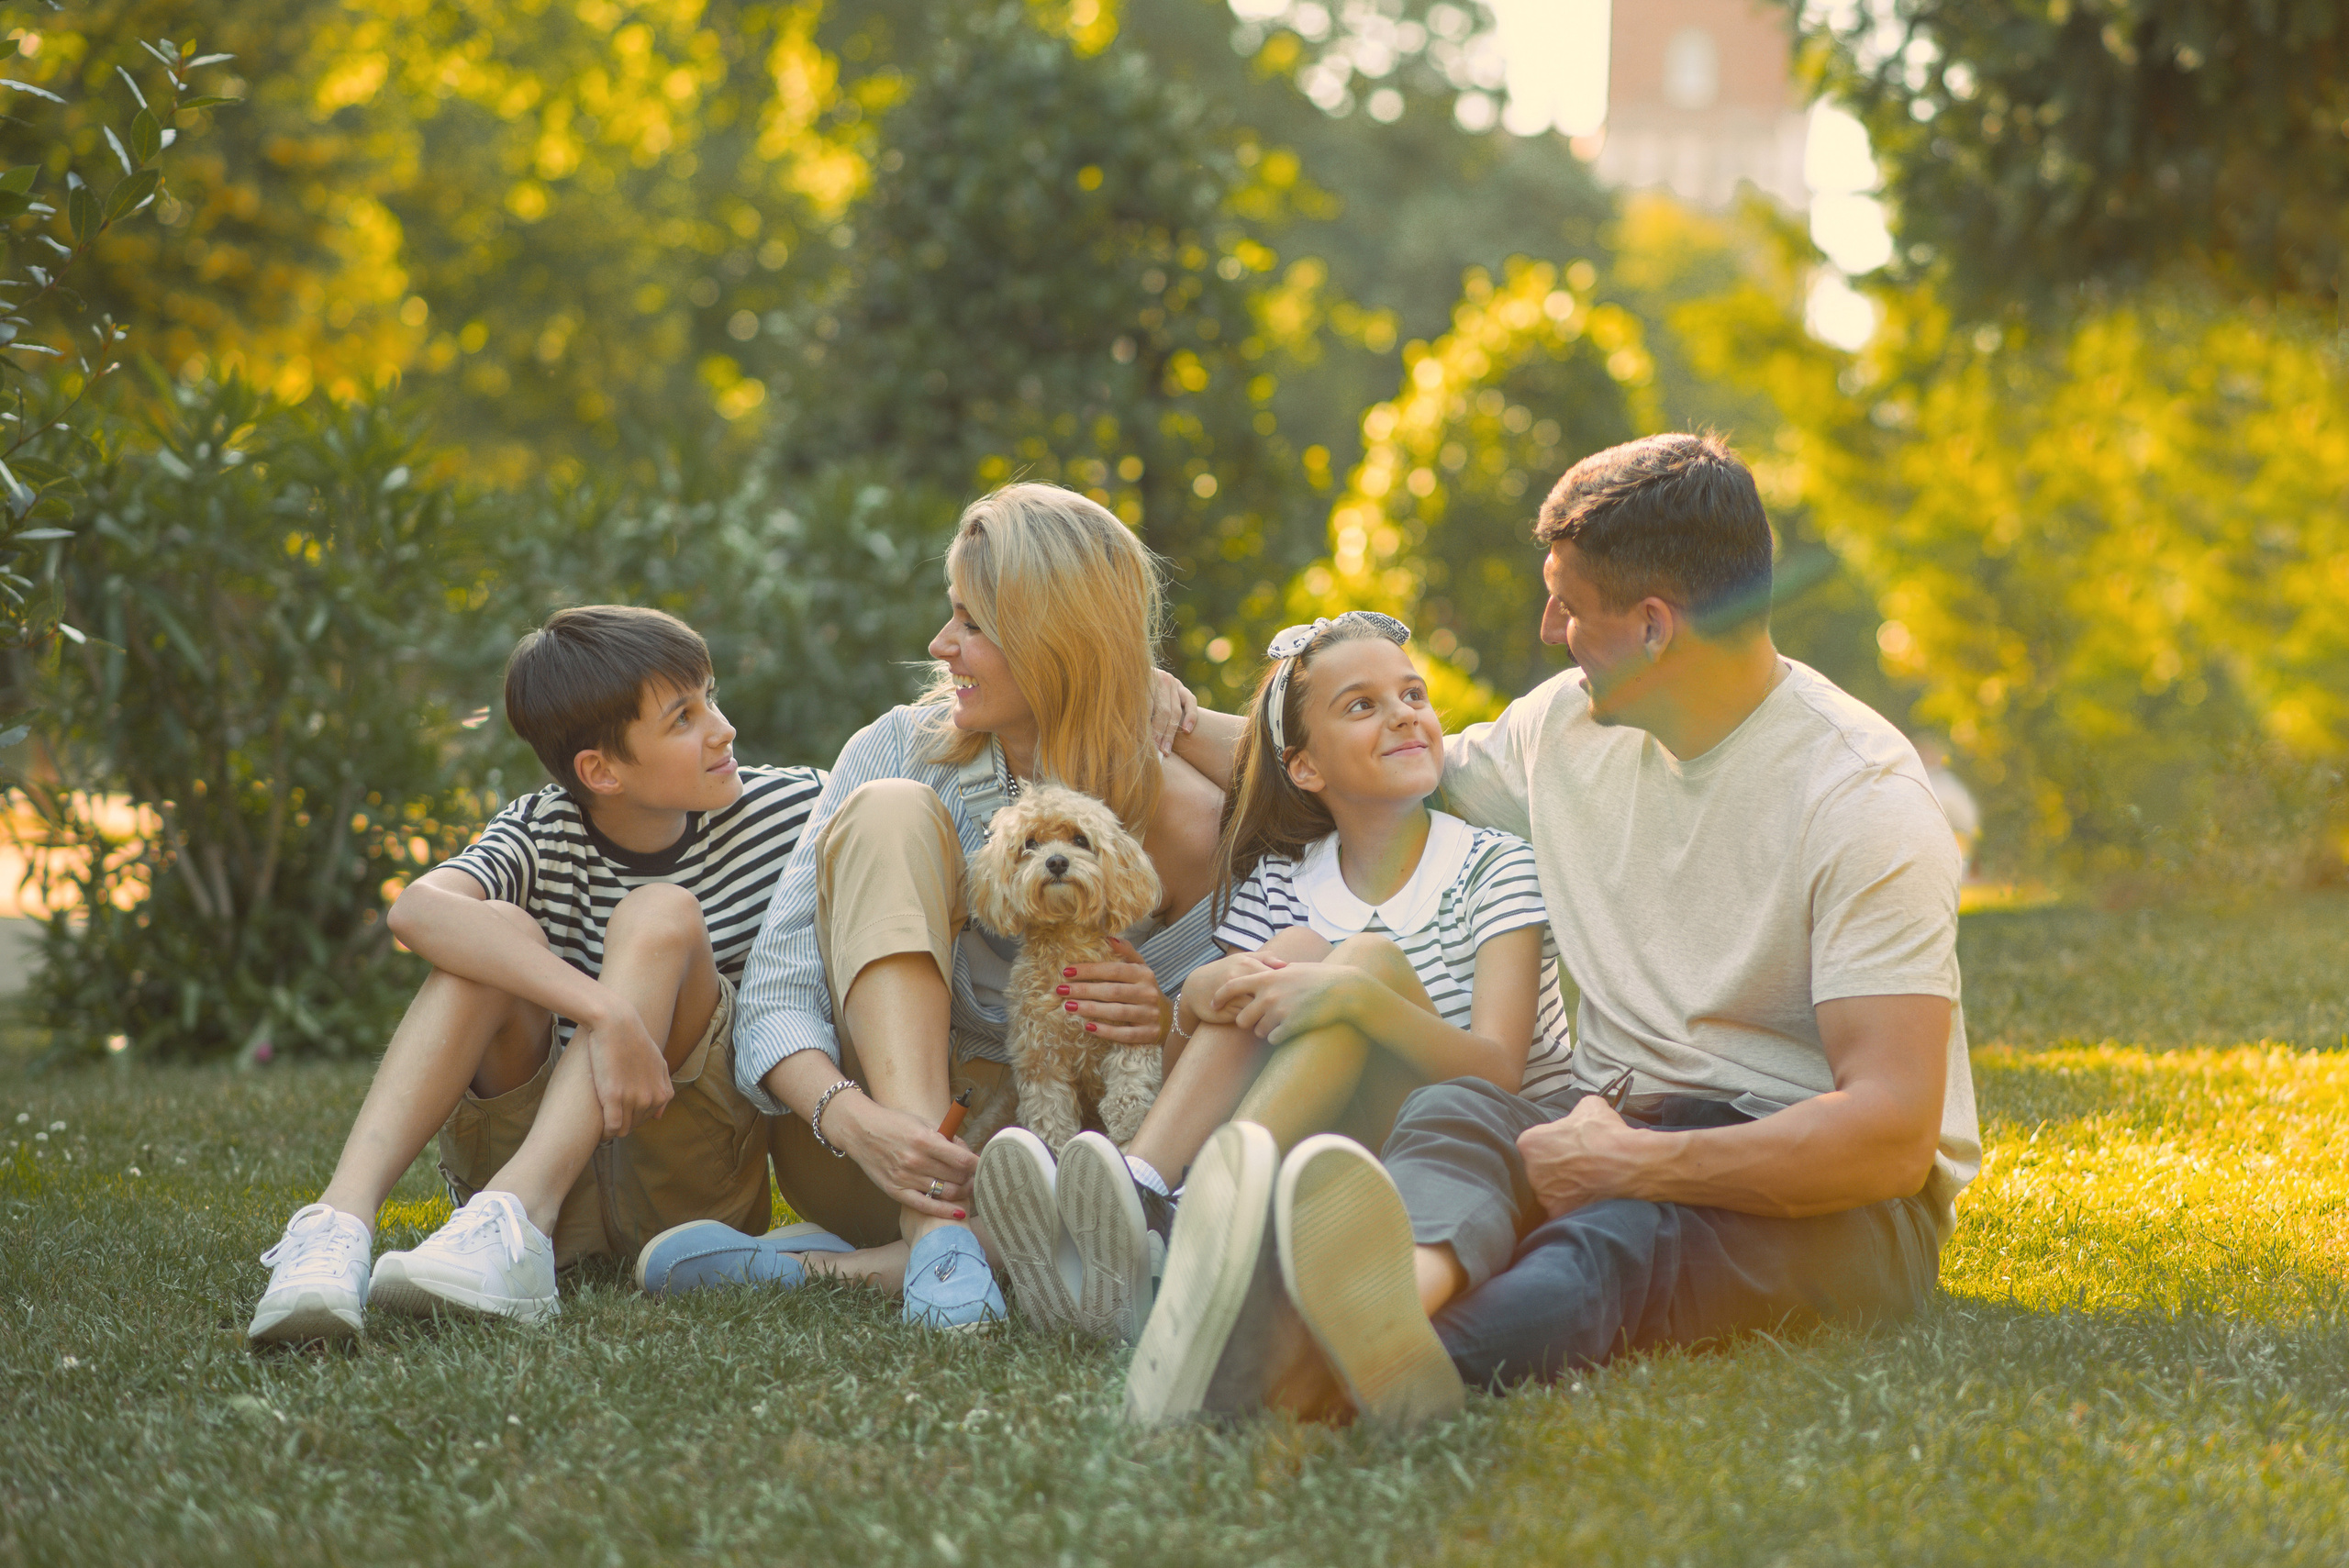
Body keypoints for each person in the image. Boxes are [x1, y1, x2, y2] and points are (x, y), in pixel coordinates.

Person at [1131, 432, 1979, 1427]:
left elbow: (1886, 1135)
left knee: (1614, 1237)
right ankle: (1367, 1289)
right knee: (1455, 1116)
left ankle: (1307, 1362)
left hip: (1832, 1197)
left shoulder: (1858, 796)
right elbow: (1368, 765)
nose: (1547, 628)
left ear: (1654, 628)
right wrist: (1165, 715)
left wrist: (1638, 1162)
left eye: (1569, 605)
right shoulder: (1563, 729)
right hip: (1605, 1116)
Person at [641, 483, 1226, 1329]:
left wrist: (1159, 1016)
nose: (940, 644)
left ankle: (833, 1271)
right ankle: (930, 1235)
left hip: (1061, 1163)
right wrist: (855, 1118)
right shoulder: (898, 748)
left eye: (973, 623)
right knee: (889, 809)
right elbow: (774, 994)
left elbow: (1213, 1054)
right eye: (951, 615)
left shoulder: (1181, 811)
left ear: (1057, 637)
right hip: (868, 1147)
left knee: (1127, 1168)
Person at [987, 608, 1571, 1345]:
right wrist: (1191, 1007)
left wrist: (1357, 995)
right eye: (1363, 705)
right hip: (1324, 1154)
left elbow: (1499, 1073)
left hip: (1464, 1157)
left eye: (1414, 696)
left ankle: (1163, 1218)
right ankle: (1141, 1203)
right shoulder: (1278, 886)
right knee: (1288, 948)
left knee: (1362, 957)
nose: (1403, 716)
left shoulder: (1494, 865)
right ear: (1305, 767)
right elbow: (1192, 1075)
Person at [246, 606, 825, 1343]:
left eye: (711, 696)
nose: (723, 728)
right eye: (685, 717)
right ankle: (338, 1229)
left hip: (686, 1190)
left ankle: (518, 1212)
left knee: (661, 914)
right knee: (491, 933)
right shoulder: (543, 829)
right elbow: (416, 912)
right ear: (600, 770)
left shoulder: (787, 809)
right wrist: (608, 1013)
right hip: (540, 1196)